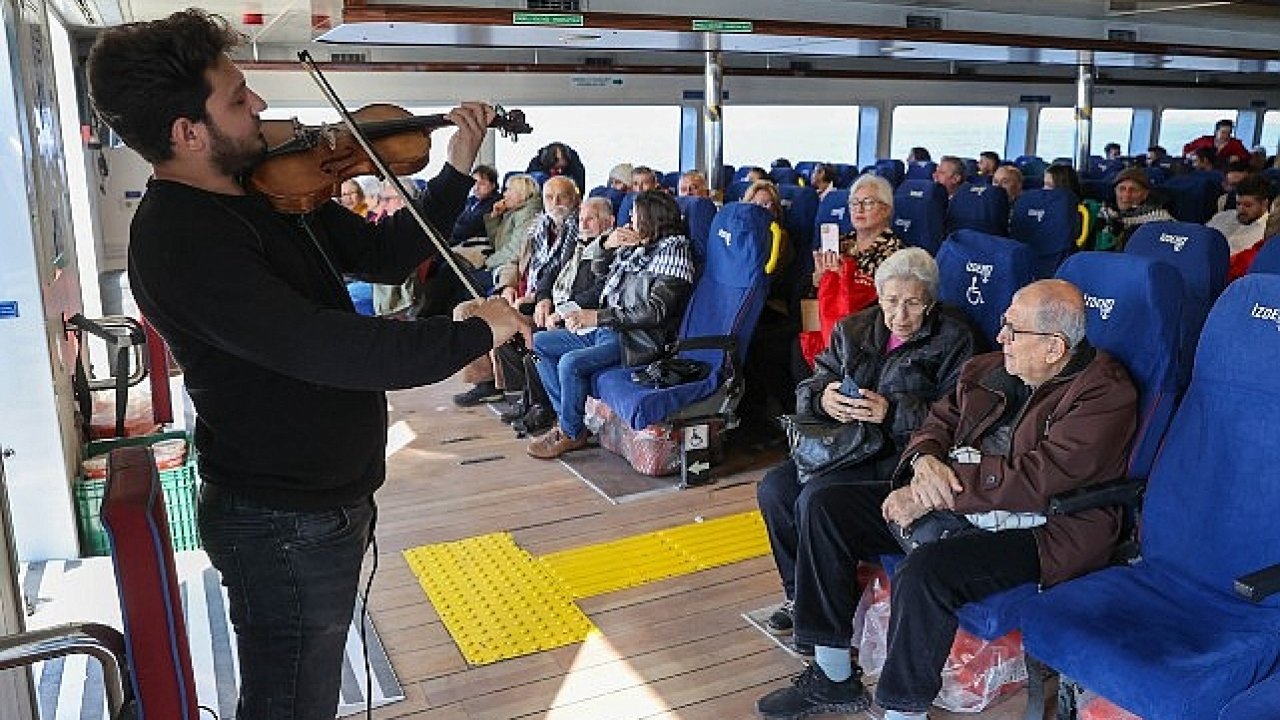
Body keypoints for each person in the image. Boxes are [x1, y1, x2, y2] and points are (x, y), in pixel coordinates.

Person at [85, 10, 530, 720]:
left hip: (323, 504)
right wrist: (468, 334)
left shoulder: (266, 186)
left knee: (304, 689)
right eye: (237, 97)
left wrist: (455, 168)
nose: (260, 105)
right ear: (186, 133)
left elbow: (385, 256)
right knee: (291, 702)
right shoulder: (180, 241)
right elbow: (329, 348)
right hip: (281, 522)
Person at [756, 280, 1138, 720]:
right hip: (964, 498)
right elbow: (936, 423)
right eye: (1003, 325)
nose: (1000, 338)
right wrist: (923, 463)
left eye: (1013, 330)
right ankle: (833, 676)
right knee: (823, 507)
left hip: (1046, 528)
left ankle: (903, 712)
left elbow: (1041, 477)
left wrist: (939, 492)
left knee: (926, 573)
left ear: (1053, 347)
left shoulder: (1104, 393)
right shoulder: (989, 369)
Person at [756, 248, 978, 641]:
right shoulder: (854, 329)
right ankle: (798, 595)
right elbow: (812, 383)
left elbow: (959, 416)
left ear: (930, 302)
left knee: (815, 499)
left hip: (898, 456)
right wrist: (823, 397)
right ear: (879, 297)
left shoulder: (954, 338)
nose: (900, 315)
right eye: (891, 302)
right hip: (845, 444)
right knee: (774, 489)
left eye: (913, 303)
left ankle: (827, 623)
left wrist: (892, 412)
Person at [526, 190, 695, 459]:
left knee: (570, 363)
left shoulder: (674, 254)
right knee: (538, 344)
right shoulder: (639, 247)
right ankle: (568, 422)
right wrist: (607, 246)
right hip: (608, 330)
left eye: (635, 215)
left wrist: (599, 316)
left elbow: (656, 311)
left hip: (636, 340)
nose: (629, 220)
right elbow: (601, 276)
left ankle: (570, 433)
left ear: (651, 219)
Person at [802, 174, 903, 365]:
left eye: (867, 202)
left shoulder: (895, 253)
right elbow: (814, 293)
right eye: (854, 203)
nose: (859, 209)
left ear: (886, 210)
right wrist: (818, 279)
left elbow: (885, 304)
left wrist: (845, 280)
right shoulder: (840, 243)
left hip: (862, 329)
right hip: (825, 318)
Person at [1095, 167, 1173, 251]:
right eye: (1122, 189)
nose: (1126, 195)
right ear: (1115, 191)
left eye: (1133, 190)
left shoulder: (1160, 222)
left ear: (1145, 195)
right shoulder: (1103, 213)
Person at [450, 164, 499, 243]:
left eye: (482, 184)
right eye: (474, 183)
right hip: (458, 239)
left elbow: (470, 227)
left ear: (493, 185)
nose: (476, 188)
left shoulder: (495, 203)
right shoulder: (470, 200)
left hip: (472, 242)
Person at [1182, 118, 1249, 168]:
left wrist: (1238, 158)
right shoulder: (1205, 140)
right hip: (1201, 169)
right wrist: (1190, 155)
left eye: (1229, 133)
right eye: (1223, 132)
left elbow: (1247, 157)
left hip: (1224, 171)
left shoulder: (1235, 144)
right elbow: (1187, 148)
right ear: (1216, 131)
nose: (1226, 135)